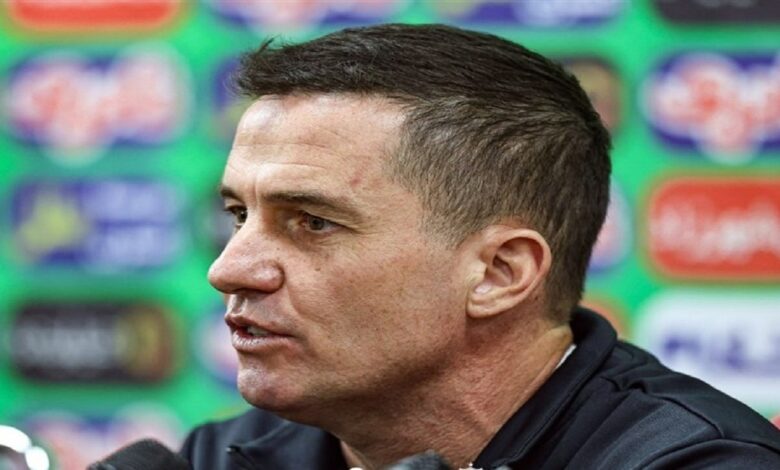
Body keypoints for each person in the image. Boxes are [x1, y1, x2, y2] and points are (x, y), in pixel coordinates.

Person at [181, 24, 780, 469]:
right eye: (239, 215)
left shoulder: (693, 461)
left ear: (498, 273)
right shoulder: (222, 455)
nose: (228, 270)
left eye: (313, 222)